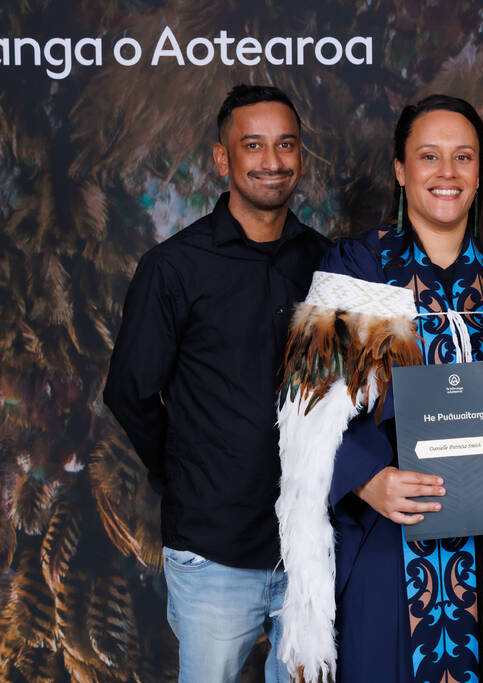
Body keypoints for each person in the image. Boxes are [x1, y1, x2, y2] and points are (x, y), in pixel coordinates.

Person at [274, 94, 483, 683]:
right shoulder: (359, 264)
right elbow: (311, 411)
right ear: (401, 171)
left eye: (463, 157)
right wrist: (367, 480)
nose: (447, 173)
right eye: (428, 156)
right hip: (399, 536)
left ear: (480, 171)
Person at [103, 84, 328, 682]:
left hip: (313, 551)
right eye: (252, 145)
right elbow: (129, 392)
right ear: (223, 159)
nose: (272, 161)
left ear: (301, 156)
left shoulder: (330, 265)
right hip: (213, 550)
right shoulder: (174, 268)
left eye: (286, 145)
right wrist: (182, 469)